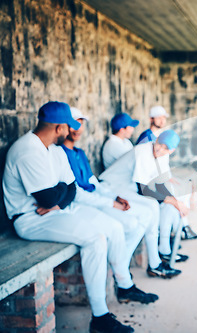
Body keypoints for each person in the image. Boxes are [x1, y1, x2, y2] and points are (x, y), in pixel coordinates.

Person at [2, 101, 158, 333]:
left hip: (55, 211)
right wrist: (56, 197)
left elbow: (70, 189)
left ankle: (124, 285)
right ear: (58, 127)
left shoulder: (54, 149)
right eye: (68, 126)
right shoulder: (26, 149)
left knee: (113, 227)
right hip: (29, 219)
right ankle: (100, 317)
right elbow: (48, 198)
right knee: (96, 238)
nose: (71, 130)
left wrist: (57, 198)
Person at [61, 107, 178, 279]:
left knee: (150, 211)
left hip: (114, 191)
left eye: (80, 124)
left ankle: (148, 261)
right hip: (113, 188)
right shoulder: (116, 145)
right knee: (143, 214)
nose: (132, 129)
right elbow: (143, 187)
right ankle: (129, 267)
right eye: (129, 126)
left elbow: (91, 182)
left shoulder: (84, 151)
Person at [99, 130, 190, 277]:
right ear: (157, 139)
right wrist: (174, 201)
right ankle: (149, 263)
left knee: (155, 207)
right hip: (111, 187)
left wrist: (176, 202)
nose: (160, 149)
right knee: (152, 207)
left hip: (127, 188)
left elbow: (160, 184)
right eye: (159, 144)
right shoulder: (143, 150)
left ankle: (155, 263)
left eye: (166, 148)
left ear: (171, 151)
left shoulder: (163, 156)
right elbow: (144, 190)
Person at [135, 105, 197, 240]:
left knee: (184, 186)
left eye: (164, 117)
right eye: (159, 117)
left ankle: (181, 226)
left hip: (155, 178)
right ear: (151, 119)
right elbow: (145, 175)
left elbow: (161, 164)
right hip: (143, 182)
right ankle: (180, 228)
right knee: (173, 197)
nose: (162, 120)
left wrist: (168, 177)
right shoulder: (146, 138)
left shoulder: (160, 135)